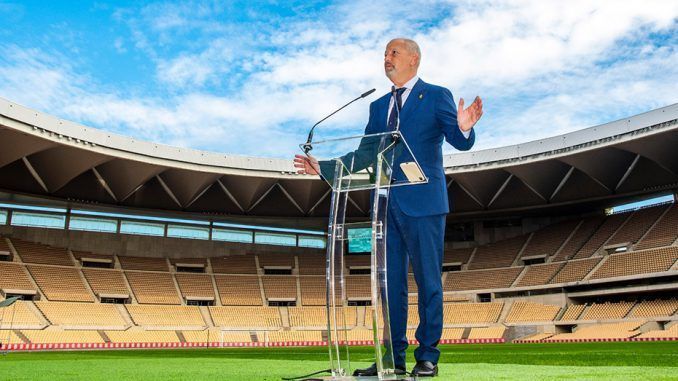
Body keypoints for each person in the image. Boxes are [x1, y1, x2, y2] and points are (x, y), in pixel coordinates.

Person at [294, 38, 483, 377]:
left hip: (424, 204)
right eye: (384, 53)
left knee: (428, 282)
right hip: (385, 208)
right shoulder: (378, 107)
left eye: (393, 52)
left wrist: (465, 128)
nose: (387, 58)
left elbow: (458, 138)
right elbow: (364, 156)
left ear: (414, 58)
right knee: (388, 285)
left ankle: (428, 356)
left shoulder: (436, 95)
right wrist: (321, 166)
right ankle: (392, 358)